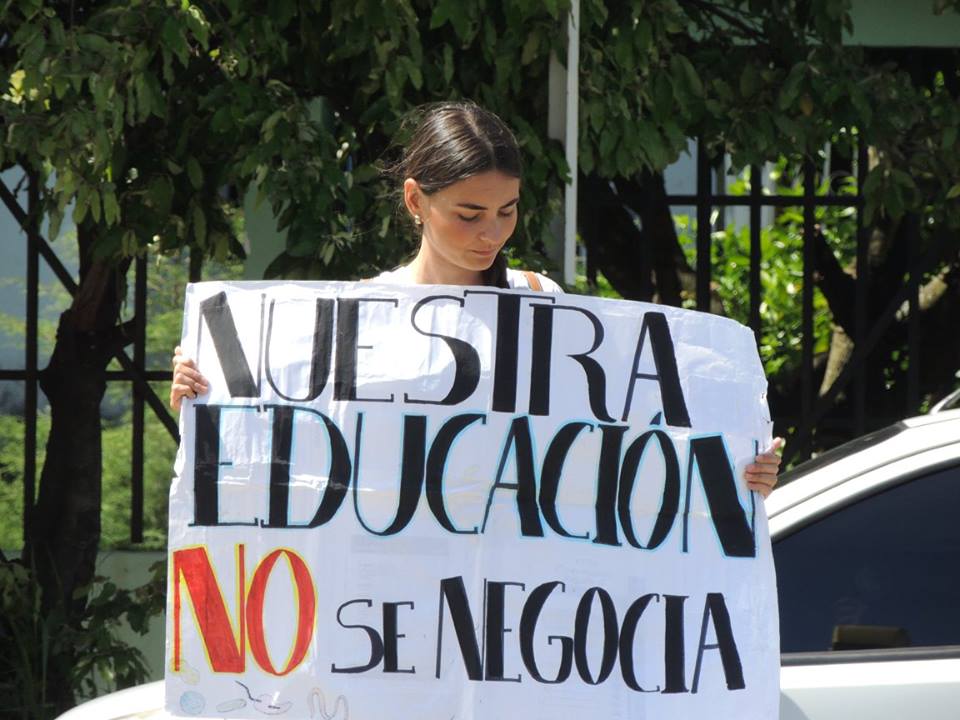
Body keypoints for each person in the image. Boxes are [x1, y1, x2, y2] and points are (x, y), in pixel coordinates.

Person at [169, 101, 782, 495]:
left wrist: (734, 467)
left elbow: (618, 449)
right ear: (416, 201)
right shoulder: (356, 316)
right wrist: (205, 397)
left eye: (506, 212)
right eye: (469, 214)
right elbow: (284, 458)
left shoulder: (543, 304)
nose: (491, 233)